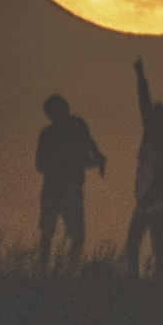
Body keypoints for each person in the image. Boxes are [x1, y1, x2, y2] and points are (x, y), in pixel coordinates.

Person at [36, 94, 106, 273]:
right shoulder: (75, 131)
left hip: (55, 188)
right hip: (68, 190)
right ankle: (66, 271)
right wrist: (93, 160)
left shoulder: (50, 134)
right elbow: (89, 152)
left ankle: (55, 271)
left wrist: (93, 160)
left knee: (50, 234)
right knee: (70, 235)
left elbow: (40, 165)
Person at [124, 56, 163, 278]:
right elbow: (144, 107)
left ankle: (147, 282)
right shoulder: (153, 139)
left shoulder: (158, 146)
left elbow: (160, 177)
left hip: (153, 200)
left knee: (139, 243)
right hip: (155, 200)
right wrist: (141, 78)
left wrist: (146, 201)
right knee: (153, 243)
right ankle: (154, 281)